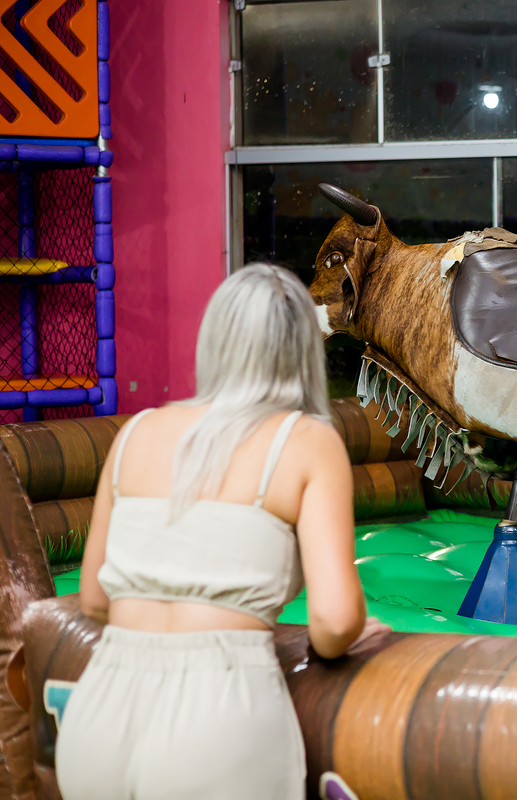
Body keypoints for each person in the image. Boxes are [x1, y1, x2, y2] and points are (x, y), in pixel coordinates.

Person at [55, 264, 390, 800]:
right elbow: (333, 620)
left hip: (100, 713)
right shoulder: (305, 440)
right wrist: (349, 635)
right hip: (220, 720)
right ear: (304, 348)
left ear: (213, 341)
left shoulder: (136, 433)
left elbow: (94, 597)